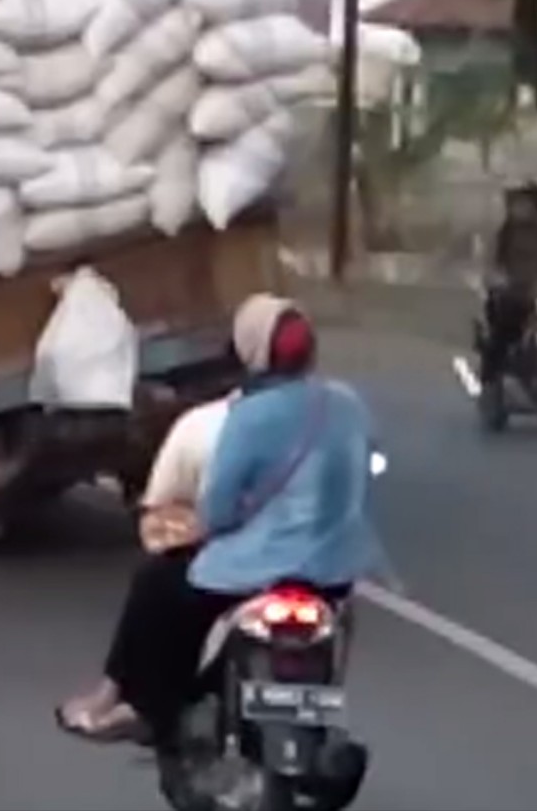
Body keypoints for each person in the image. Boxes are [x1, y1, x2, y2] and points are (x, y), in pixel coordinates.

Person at [56, 294, 388, 752]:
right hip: (334, 575)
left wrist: (213, 524)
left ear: (251, 353)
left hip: (255, 575)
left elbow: (218, 512)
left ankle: (141, 707)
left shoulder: (248, 417)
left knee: (157, 584)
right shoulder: (348, 403)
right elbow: (367, 465)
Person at [54, 386, 239, 741]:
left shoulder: (211, 425)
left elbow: (161, 519)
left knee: (158, 579)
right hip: (324, 572)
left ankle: (135, 703)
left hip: (244, 567)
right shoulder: (337, 412)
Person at [480, 180, 537, 386]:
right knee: (503, 330)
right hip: (510, 293)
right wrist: (499, 279)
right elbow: (493, 262)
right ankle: (491, 374)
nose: (524, 209)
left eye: (529, 204)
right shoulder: (505, 233)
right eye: (519, 204)